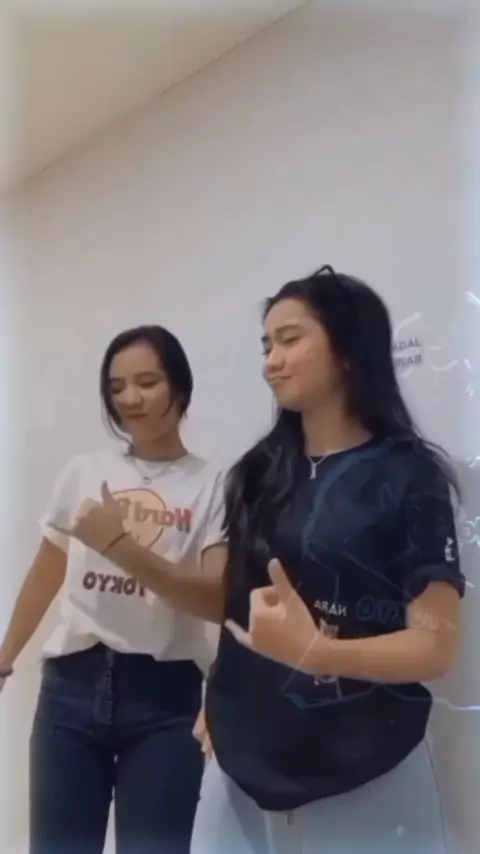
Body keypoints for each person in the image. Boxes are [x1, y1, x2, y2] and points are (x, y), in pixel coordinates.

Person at [50, 268, 465, 854]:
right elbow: (235, 608)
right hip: (244, 768)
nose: (272, 361)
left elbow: (436, 646)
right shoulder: (256, 475)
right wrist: (223, 693)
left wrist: (319, 652)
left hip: (368, 767)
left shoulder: (409, 476)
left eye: (290, 340)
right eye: (267, 345)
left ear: (348, 349)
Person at [0, 324, 226, 854]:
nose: (129, 399)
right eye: (117, 387)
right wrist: (5, 658)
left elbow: (216, 598)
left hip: (166, 697)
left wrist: (119, 544)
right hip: (71, 689)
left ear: (180, 387)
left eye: (147, 382)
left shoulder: (215, 482)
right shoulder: (85, 471)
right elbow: (47, 572)